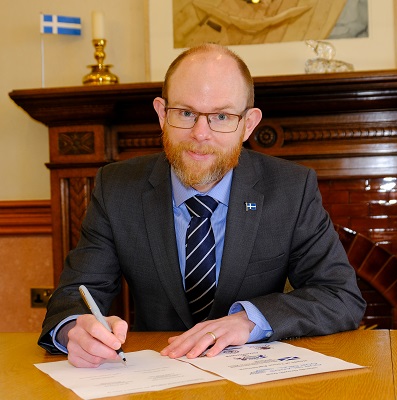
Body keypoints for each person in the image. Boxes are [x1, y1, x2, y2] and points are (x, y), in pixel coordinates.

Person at [39, 43, 366, 368]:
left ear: (248, 124)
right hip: (154, 375)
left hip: (253, 379)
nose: (200, 134)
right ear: (161, 114)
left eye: (222, 116)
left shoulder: (291, 189)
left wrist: (248, 321)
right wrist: (73, 330)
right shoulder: (117, 188)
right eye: (185, 113)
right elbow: (75, 295)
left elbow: (340, 296)